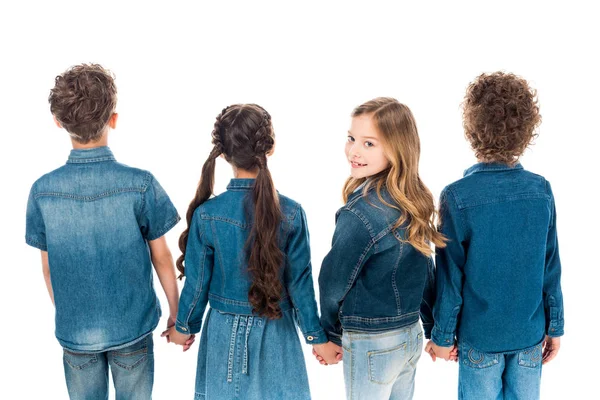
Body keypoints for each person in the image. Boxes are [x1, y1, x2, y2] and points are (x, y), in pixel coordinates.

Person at [25, 63, 181, 399]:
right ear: (113, 118)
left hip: (76, 333)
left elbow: (49, 270)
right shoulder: (140, 185)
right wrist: (175, 312)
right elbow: (163, 257)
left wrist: (72, 314)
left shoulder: (42, 192)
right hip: (132, 328)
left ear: (58, 122)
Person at [164, 104, 340, 400]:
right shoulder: (292, 213)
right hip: (277, 333)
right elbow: (300, 284)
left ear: (222, 153)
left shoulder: (207, 214)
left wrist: (183, 327)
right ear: (269, 149)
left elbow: (196, 284)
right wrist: (316, 337)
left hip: (222, 333)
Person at [425, 72, 564, 400]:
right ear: (528, 130)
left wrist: (442, 336)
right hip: (530, 335)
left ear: (471, 130)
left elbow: (449, 277)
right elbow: (550, 266)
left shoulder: (457, 197)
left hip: (480, 340)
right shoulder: (541, 191)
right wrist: (555, 325)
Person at [318, 97, 446, 400]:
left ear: (397, 148)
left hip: (370, 343)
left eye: (369, 144)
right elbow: (425, 272)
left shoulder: (361, 214)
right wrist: (431, 326)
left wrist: (328, 334)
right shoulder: (410, 202)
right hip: (409, 337)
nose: (354, 151)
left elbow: (334, 281)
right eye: (351, 138)